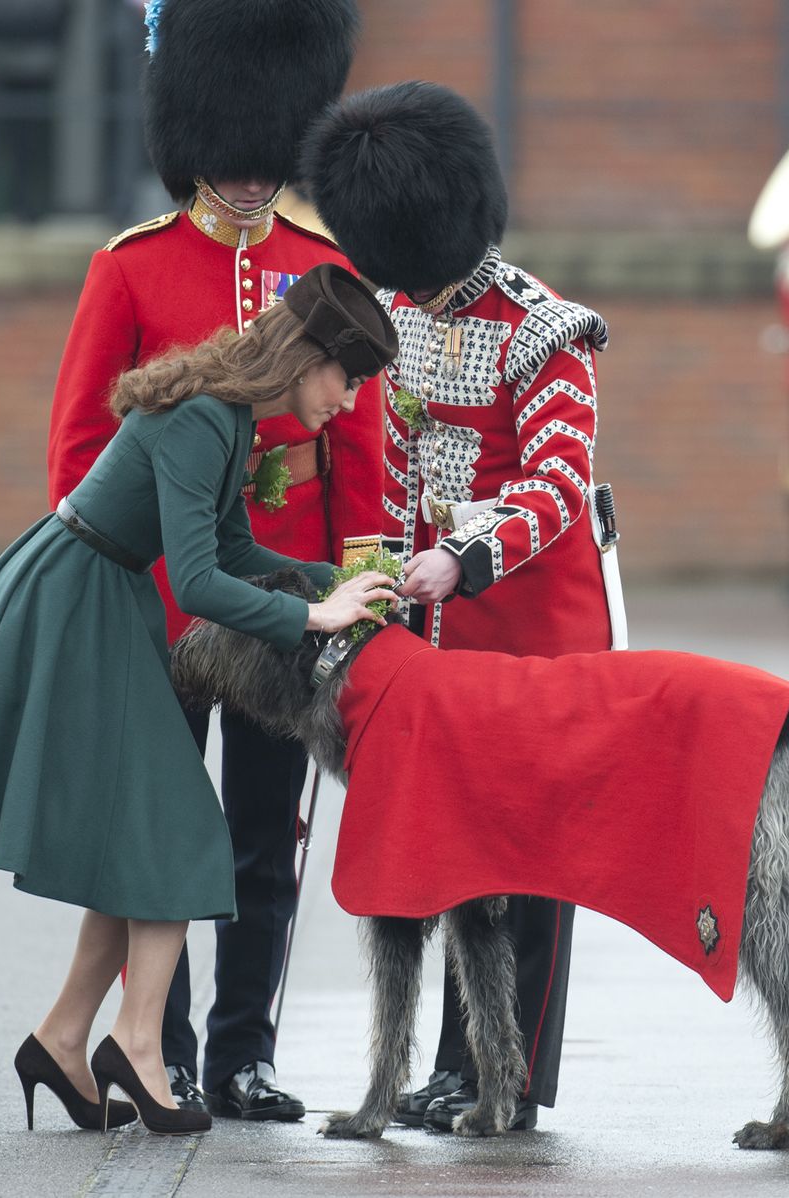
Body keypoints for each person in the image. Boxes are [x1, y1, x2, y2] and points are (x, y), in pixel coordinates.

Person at [0, 264, 399, 1137]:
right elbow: (203, 581)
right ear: (307, 357)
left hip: (99, 592)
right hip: (72, 600)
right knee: (180, 829)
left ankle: (66, 1039)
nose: (352, 401)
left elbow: (233, 545)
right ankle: (136, 1045)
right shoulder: (208, 416)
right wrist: (310, 614)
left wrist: (350, 582)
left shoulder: (231, 412)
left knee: (144, 833)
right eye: (349, 379)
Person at [47, 0, 379, 1119]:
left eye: (264, 162)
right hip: (162, 603)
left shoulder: (319, 264)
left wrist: (352, 581)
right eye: (229, 161)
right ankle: (165, 1048)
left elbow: (362, 454)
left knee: (264, 835)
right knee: (163, 832)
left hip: (280, 588)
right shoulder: (132, 268)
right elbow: (84, 454)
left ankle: (244, 1049)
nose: (247, 180)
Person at [301, 81, 617, 1131]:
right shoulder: (395, 306)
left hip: (532, 635)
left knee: (529, 863)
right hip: (431, 635)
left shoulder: (544, 329)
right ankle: (454, 1063)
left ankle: (511, 1074)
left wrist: (463, 556)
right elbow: (386, 464)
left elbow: (557, 483)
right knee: (453, 853)